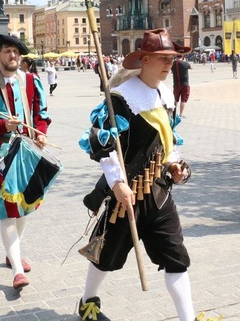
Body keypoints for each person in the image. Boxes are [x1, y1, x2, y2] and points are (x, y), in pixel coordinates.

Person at [77, 28, 194, 321]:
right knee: (105, 256)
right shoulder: (121, 98)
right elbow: (104, 145)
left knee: (176, 258)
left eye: (171, 57)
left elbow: (168, 140)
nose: (169, 63)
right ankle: (87, 302)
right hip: (125, 195)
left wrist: (174, 165)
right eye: (162, 57)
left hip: (158, 192)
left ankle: (188, 318)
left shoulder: (165, 94)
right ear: (144, 59)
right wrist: (117, 183)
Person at [0, 33, 51, 290]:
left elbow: (41, 114)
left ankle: (12, 253)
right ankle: (17, 270)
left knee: (24, 207)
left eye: (16, 52)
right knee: (8, 211)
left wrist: (40, 133)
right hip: (3, 156)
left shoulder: (31, 81)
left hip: (29, 154)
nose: (13, 56)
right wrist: (3, 124)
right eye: (7, 51)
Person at [172, 53, 193, 118]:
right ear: (183, 56)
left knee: (175, 100)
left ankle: (173, 114)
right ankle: (181, 114)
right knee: (183, 100)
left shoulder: (173, 63)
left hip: (176, 84)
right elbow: (191, 67)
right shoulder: (184, 63)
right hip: (184, 84)